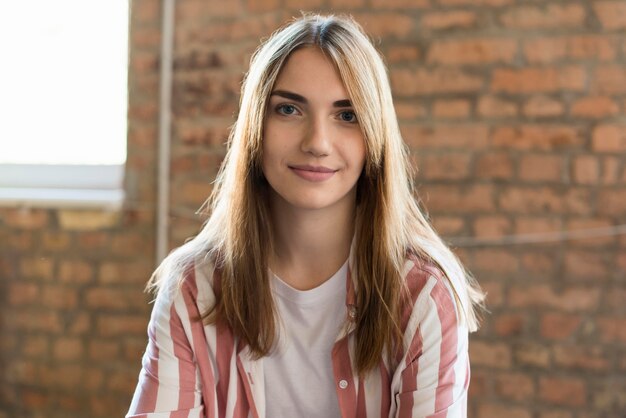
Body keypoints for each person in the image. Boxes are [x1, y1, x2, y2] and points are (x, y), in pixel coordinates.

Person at [127, 13, 485, 418]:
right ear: (256, 128)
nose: (317, 142)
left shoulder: (424, 297)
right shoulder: (193, 288)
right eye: (289, 110)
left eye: (346, 115)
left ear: (375, 137)